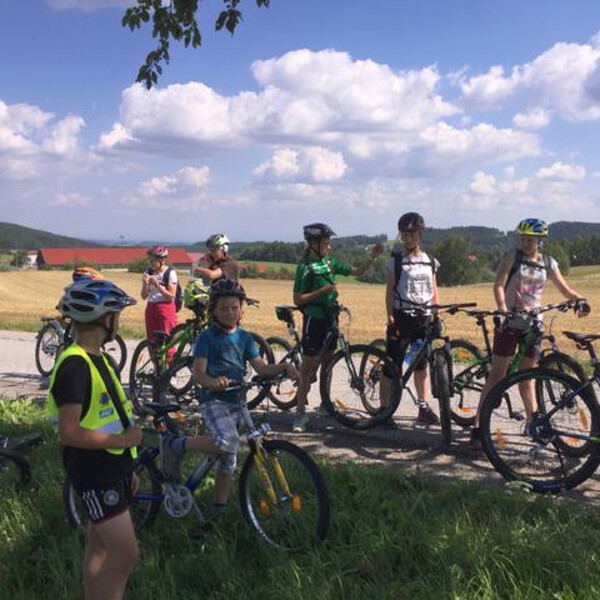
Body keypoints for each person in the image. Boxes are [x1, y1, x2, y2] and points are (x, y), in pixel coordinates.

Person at [163, 279, 300, 517]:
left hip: (238, 402)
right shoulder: (207, 337)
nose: (229, 313)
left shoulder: (245, 338)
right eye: (224, 308)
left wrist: (285, 368)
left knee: (229, 460)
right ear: (213, 310)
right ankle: (176, 445)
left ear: (242, 309)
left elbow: (261, 368)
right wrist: (212, 382)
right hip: (213, 401)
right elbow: (197, 374)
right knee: (228, 441)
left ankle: (218, 509)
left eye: (234, 307)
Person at [47, 279, 142, 600]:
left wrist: (129, 467)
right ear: (105, 318)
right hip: (94, 472)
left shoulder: (99, 358)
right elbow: (69, 432)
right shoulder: (75, 366)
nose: (119, 320)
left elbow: (111, 414)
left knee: (99, 545)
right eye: (117, 313)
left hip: (111, 468)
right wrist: (125, 438)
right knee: (126, 555)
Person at [469, 218, 591, 450]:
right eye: (522, 238)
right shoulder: (511, 257)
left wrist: (580, 300)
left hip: (534, 324)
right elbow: (498, 285)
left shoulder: (548, 263)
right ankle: (477, 426)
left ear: (540, 241)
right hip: (511, 322)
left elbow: (564, 289)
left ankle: (531, 422)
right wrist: (503, 310)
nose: (525, 243)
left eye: (530, 239)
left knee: (529, 375)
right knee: (497, 375)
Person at [292, 223, 383, 432]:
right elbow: (297, 299)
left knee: (328, 363)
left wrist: (373, 257)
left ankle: (325, 403)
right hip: (314, 320)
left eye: (329, 243)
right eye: (326, 243)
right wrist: (322, 291)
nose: (329, 247)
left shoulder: (329, 263)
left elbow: (357, 271)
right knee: (306, 369)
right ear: (314, 244)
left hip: (331, 319)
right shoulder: (305, 267)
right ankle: (299, 414)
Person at [383, 212, 441, 427]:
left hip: (423, 318)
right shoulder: (396, 260)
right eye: (404, 235)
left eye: (412, 234)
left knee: (421, 366)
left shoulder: (430, 262)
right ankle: (384, 410)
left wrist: (436, 313)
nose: (408, 239)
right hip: (402, 317)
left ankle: (423, 408)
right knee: (392, 365)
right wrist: (389, 315)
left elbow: (434, 290)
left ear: (420, 234)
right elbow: (389, 290)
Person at [141, 245, 178, 349]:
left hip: (165, 309)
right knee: (152, 342)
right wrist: (145, 284)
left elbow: (170, 297)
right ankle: (156, 363)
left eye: (153, 260)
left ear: (162, 260)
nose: (150, 263)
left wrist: (158, 285)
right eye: (149, 260)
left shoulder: (170, 273)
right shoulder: (149, 272)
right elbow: (144, 296)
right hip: (151, 308)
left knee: (168, 341)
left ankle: (169, 363)